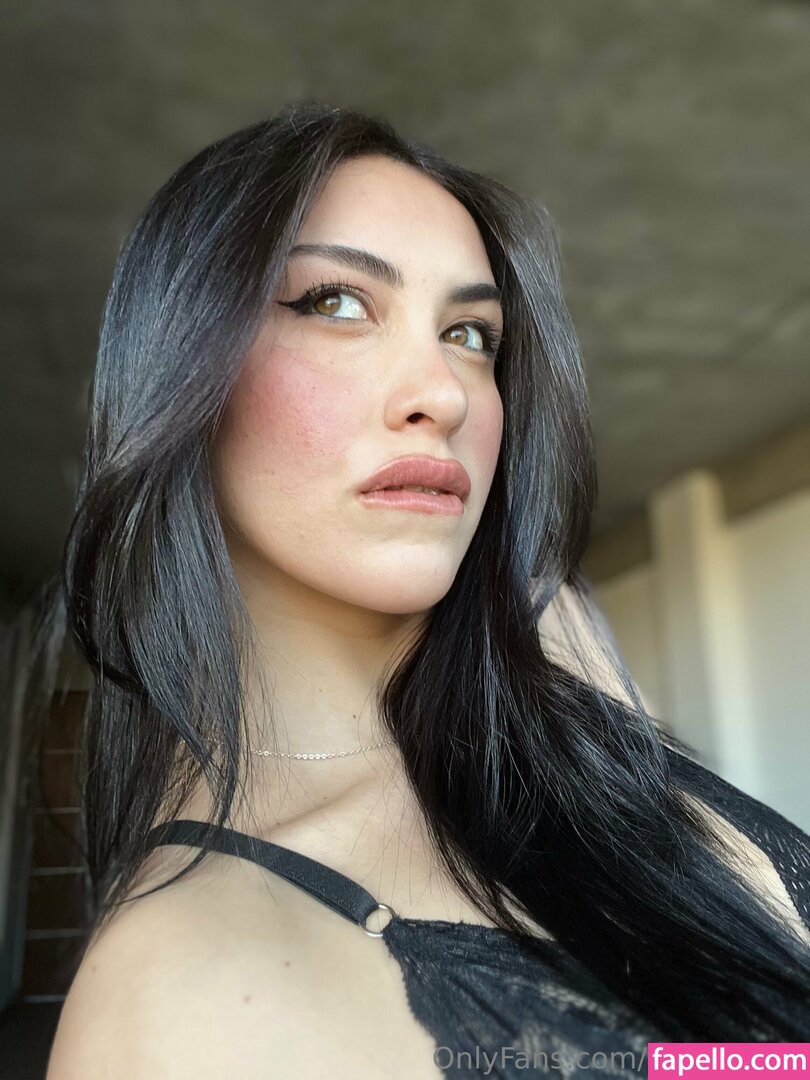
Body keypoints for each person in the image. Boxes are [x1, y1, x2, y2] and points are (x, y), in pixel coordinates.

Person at [43, 102, 809, 1078]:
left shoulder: (565, 674)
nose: (443, 393)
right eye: (335, 303)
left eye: (471, 333)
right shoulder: (175, 995)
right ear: (180, 361)